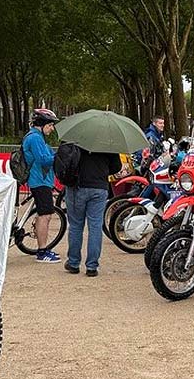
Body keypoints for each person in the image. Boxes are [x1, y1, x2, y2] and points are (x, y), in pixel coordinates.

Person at [65, 144, 121, 277]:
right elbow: (116, 167)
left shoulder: (75, 138)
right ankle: (92, 266)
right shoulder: (108, 142)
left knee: (75, 226)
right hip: (99, 186)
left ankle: (73, 263)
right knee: (95, 226)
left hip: (77, 186)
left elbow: (65, 160)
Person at [23, 109, 62, 264]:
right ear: (42, 124)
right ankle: (42, 252)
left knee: (44, 214)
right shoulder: (35, 138)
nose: (52, 128)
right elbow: (44, 160)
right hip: (39, 181)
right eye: (50, 125)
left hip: (42, 181)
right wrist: (59, 156)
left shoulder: (38, 137)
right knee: (45, 216)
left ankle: (42, 248)